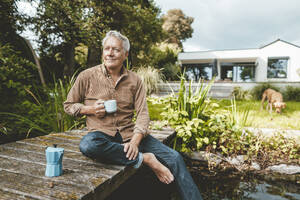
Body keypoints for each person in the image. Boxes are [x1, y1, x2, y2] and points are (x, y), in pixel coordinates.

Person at [64, 30, 202, 200]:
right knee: (88, 145)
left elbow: (143, 114)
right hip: (102, 135)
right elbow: (69, 106)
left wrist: (135, 141)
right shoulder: (86, 76)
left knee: (174, 157)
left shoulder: (135, 80)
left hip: (131, 134)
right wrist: (89, 109)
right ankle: (146, 159)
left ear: (125, 54)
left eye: (115, 49)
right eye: (107, 49)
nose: (110, 53)